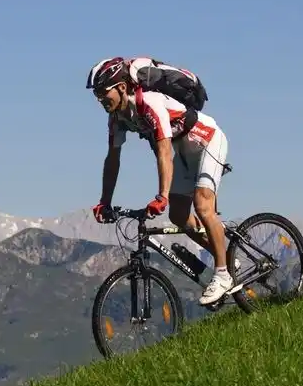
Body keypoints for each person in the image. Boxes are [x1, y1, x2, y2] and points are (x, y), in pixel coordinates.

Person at [86, 57, 237, 305]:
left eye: (103, 92)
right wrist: (105, 201)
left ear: (122, 87)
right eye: (97, 95)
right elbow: (113, 159)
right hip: (183, 150)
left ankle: (222, 274)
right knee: (178, 215)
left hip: (207, 140)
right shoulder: (117, 119)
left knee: (202, 205)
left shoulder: (150, 103)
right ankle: (226, 255)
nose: (100, 99)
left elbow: (164, 151)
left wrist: (162, 195)